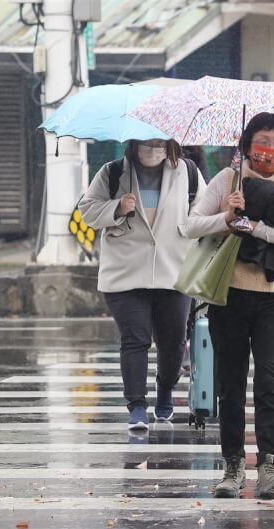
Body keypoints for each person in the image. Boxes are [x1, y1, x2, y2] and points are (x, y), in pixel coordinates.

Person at [184, 113, 274, 499]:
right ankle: (232, 465)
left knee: (269, 381)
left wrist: (252, 227)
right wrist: (228, 215)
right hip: (230, 294)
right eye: (263, 140)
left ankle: (269, 463)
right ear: (247, 144)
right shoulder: (225, 181)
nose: (271, 149)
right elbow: (191, 225)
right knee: (231, 383)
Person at [79, 139, 207, 431]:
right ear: (133, 144)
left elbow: (203, 212)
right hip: (125, 273)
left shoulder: (187, 173)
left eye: (159, 143)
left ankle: (165, 392)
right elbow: (87, 211)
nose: (153, 149)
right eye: (146, 143)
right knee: (135, 339)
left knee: (173, 342)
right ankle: (136, 406)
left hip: (174, 271)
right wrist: (116, 207)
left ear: (170, 143)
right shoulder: (111, 173)